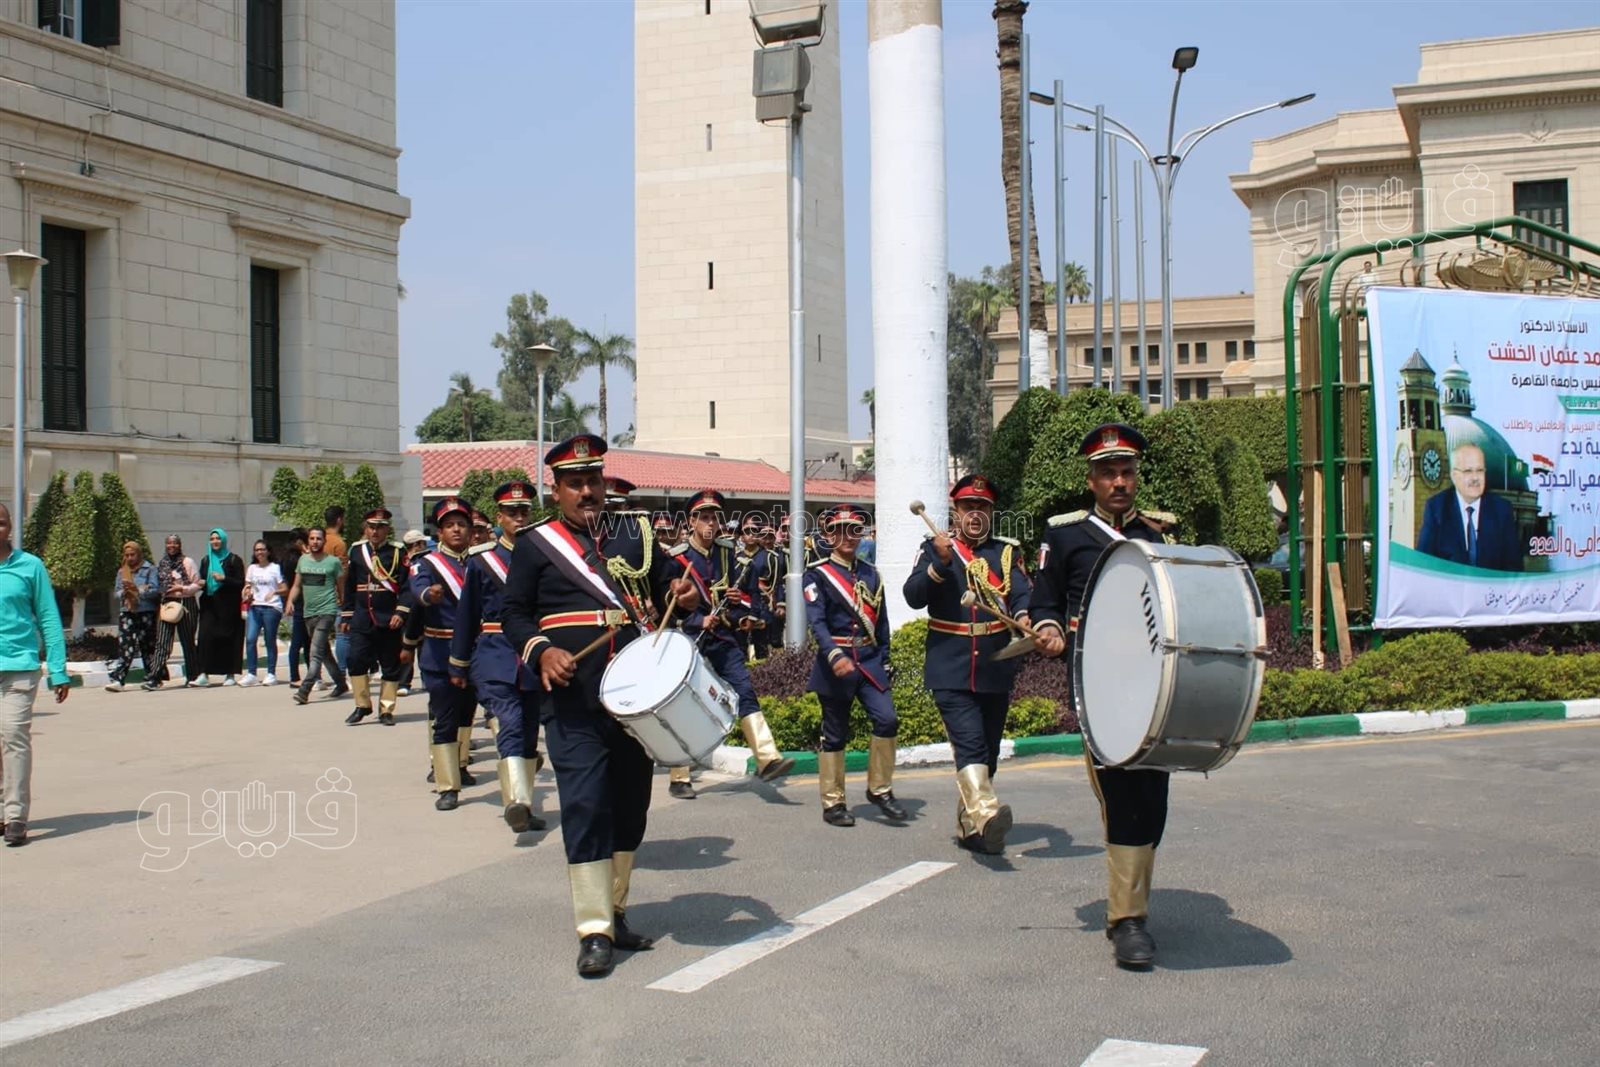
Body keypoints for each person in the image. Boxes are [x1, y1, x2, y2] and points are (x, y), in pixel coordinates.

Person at [501, 434, 698, 978]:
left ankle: (615, 911)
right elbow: (514, 614)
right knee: (585, 806)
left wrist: (684, 596)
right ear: (557, 490)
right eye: (575, 483)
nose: (586, 491)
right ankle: (593, 930)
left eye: (593, 481)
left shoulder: (635, 534)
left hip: (634, 704)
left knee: (630, 809)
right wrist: (541, 650)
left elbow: (669, 590)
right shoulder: (536, 545)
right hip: (574, 701)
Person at [1031, 422, 1177, 969]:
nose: (1119, 482)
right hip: (1099, 689)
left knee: (1153, 802)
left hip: (1155, 685)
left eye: (1127, 472)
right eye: (1108, 473)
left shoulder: (1158, 539)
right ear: (1091, 480)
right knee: (1123, 795)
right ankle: (1127, 921)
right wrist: (1048, 628)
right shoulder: (1066, 536)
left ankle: (1132, 898)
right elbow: (1046, 602)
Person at [903, 474, 1032, 854]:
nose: (975, 513)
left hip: (995, 664)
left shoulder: (1005, 553)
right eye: (967, 507)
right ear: (955, 511)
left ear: (991, 512)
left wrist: (1024, 616)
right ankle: (987, 814)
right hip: (951, 664)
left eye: (982, 507)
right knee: (971, 744)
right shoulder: (934, 548)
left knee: (987, 753)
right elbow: (913, 596)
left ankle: (971, 827)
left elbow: (1021, 593)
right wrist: (940, 565)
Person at [672, 489, 793, 802]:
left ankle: (767, 758)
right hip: (690, 639)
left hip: (724, 638)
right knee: (684, 703)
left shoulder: (730, 555)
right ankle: (680, 774)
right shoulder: (677, 558)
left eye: (715, 518)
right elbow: (668, 606)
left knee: (744, 689)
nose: (711, 524)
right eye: (704, 518)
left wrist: (740, 605)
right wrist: (697, 620)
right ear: (692, 521)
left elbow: (750, 597)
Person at [452, 480, 548, 832]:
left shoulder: (543, 555)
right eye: (511, 512)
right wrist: (458, 662)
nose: (519, 517)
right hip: (494, 655)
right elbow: (467, 615)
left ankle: (525, 806)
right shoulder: (483, 560)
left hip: (532, 655)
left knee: (528, 731)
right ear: (499, 517)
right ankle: (517, 802)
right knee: (509, 722)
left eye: (524, 511)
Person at [802, 504, 904, 827]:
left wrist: (885, 658)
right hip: (836, 663)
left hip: (869, 661)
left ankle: (880, 789)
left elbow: (881, 622)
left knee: (887, 719)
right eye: (840, 530)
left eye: (855, 530)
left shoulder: (872, 574)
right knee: (835, 734)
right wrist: (833, 654)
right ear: (829, 535)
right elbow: (817, 622)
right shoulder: (817, 574)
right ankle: (833, 802)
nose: (848, 536)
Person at [0, 502, 70, 847]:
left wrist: (58, 669)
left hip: (20, 668)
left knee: (13, 735)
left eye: (0, 522)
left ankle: (15, 815)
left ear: (10, 527)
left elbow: (48, 617)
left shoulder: (30, 566)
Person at [405, 498, 478, 811]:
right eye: (449, 525)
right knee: (445, 716)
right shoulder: (427, 563)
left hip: (475, 651)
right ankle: (447, 784)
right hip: (440, 652)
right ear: (440, 532)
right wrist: (428, 594)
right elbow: (418, 589)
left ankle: (459, 764)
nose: (456, 530)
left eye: (461, 524)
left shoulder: (480, 562)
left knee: (467, 712)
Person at [341, 508, 411, 726]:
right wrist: (346, 615)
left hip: (388, 618)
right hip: (362, 617)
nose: (375, 532)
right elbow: (350, 585)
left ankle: (386, 709)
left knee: (390, 665)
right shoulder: (357, 551)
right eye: (371, 527)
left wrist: (400, 612)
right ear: (366, 528)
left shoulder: (397, 552)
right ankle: (362, 704)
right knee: (355, 659)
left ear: (386, 530)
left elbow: (407, 587)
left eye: (380, 527)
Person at [1416, 442, 1521, 571]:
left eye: (1480, 470)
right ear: (1454, 476)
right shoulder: (1436, 509)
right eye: (1468, 471)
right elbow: (1423, 565)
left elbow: (1514, 569)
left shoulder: (1502, 510)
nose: (1475, 478)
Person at [288, 527, 349, 705]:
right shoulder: (303, 560)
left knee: (314, 653)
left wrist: (344, 610)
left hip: (327, 611)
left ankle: (304, 690)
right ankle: (341, 683)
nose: (315, 542)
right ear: (308, 541)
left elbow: (341, 588)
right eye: (312, 538)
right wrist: (290, 601)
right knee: (324, 652)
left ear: (324, 541)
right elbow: (297, 585)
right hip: (309, 612)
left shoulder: (333, 562)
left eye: (319, 539)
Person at [145, 535, 201, 690]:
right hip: (168, 604)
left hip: (186, 603)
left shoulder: (188, 562)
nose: (172, 546)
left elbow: (197, 584)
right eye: (169, 543)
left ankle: (192, 676)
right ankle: (155, 677)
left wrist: (181, 588)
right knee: (162, 642)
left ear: (180, 545)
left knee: (187, 641)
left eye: (175, 543)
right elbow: (158, 584)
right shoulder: (162, 564)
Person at [106, 541, 160, 692]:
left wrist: (138, 590)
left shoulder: (149, 569)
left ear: (139, 554)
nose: (130, 558)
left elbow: (155, 589)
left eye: (132, 554)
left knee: (147, 646)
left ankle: (152, 677)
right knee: (126, 646)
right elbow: (116, 593)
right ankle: (119, 679)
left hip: (145, 611)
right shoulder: (122, 572)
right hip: (127, 612)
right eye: (127, 555)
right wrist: (125, 592)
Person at [194, 529, 245, 686]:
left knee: (228, 639)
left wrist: (224, 578)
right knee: (205, 637)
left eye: (218, 538)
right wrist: (202, 583)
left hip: (229, 607)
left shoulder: (234, 560)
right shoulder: (206, 560)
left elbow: (240, 582)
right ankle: (203, 673)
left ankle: (230, 674)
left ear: (223, 540)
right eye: (212, 539)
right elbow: (205, 581)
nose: (215, 541)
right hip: (210, 605)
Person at [242, 540, 287, 686]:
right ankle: (251, 674)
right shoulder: (252, 568)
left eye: (262, 549)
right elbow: (248, 586)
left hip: (271, 608)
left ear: (268, 551)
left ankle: (271, 673)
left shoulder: (275, 568)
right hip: (255, 607)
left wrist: (274, 592)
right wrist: (247, 593)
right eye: (257, 550)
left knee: (269, 640)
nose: (259, 552)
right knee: (250, 639)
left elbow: (285, 589)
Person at [737, 517, 776, 661]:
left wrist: (778, 604)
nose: (751, 535)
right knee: (741, 647)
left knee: (762, 647)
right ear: (742, 537)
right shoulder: (736, 558)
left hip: (762, 606)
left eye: (754, 532)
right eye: (747, 532)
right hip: (742, 606)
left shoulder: (768, 557)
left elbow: (776, 583)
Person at [397, 529, 430, 696]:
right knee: (407, 644)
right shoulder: (402, 561)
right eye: (422, 543)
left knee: (424, 646)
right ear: (417, 544)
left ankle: (426, 678)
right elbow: (402, 586)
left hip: (424, 606)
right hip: (408, 607)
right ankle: (404, 682)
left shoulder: (427, 559)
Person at [323, 506, 349, 676]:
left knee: (319, 637)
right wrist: (344, 596)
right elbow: (342, 574)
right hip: (335, 594)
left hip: (318, 594)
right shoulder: (338, 543)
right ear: (339, 520)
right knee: (342, 634)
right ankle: (341, 672)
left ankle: (317, 676)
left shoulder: (318, 539)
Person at [283, 529, 311, 686]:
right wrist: (306, 552)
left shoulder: (287, 558)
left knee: (303, 641)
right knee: (301, 641)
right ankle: (296, 677)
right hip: (302, 600)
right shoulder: (299, 559)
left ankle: (306, 675)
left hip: (298, 601)